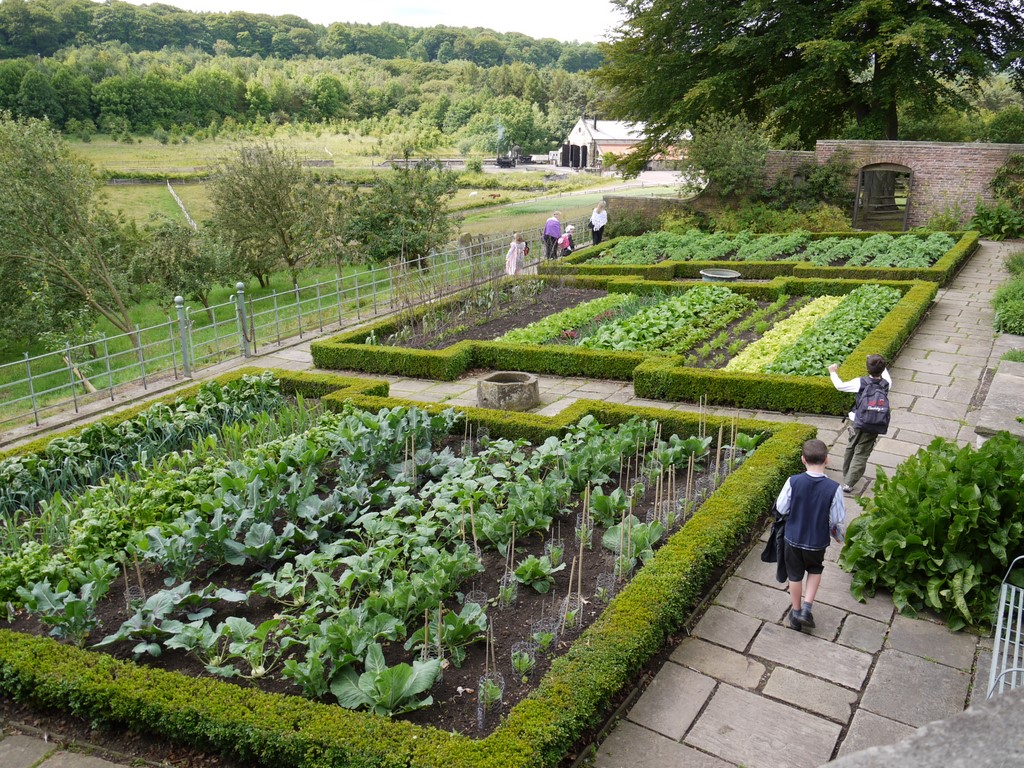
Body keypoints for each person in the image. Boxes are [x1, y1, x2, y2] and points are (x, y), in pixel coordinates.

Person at [776, 438, 845, 632]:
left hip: (793, 538)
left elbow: (781, 508)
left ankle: (796, 613)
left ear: (803, 460)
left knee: (795, 575)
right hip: (817, 541)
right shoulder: (834, 488)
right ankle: (807, 608)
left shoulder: (793, 481)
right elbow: (837, 518)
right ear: (827, 460)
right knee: (815, 569)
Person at [828, 354, 892, 493]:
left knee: (852, 445)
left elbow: (840, 386)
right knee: (862, 452)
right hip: (875, 422)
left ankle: (847, 474)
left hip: (857, 419)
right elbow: (883, 369)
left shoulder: (860, 382)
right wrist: (876, 360)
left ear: (867, 369)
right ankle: (849, 483)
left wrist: (833, 372)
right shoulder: (887, 382)